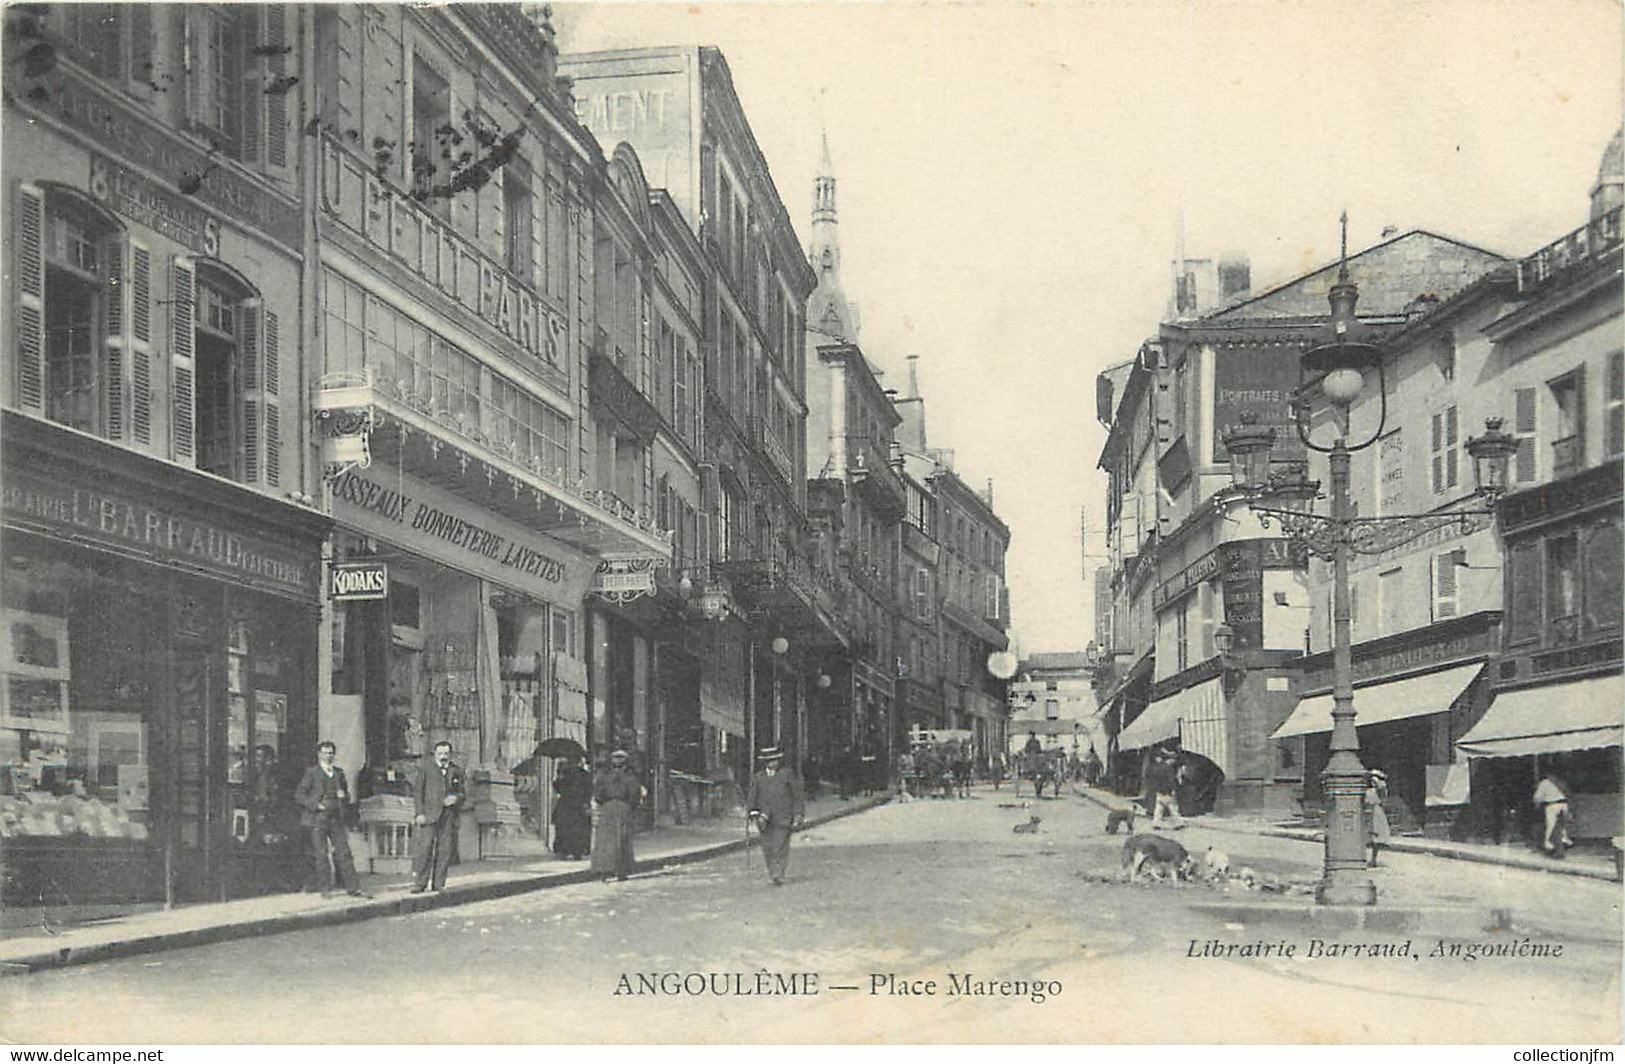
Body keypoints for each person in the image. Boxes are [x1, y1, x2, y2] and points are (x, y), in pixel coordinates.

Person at [293, 741, 368, 898]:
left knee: (344, 853)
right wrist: (316, 805)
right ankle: (325, 889)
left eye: (331, 753)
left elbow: (346, 795)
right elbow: (300, 795)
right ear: (319, 754)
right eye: (325, 753)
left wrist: (344, 797)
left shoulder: (339, 773)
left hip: (336, 819)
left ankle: (353, 888)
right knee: (321, 854)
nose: (328, 756)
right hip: (318, 819)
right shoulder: (312, 772)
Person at [410, 740, 464, 893]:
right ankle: (420, 883)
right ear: (434, 754)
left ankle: (438, 884)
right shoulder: (426, 769)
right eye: (440, 753)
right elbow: (418, 793)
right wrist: (419, 813)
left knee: (445, 850)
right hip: (429, 814)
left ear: (450, 755)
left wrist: (456, 798)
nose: (443, 757)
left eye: (446, 754)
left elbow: (463, 792)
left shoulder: (456, 771)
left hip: (448, 816)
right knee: (425, 849)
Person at [746, 746, 805, 886]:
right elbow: (752, 797)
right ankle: (772, 871)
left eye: (776, 760)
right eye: (771, 760)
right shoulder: (758, 778)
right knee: (767, 848)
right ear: (765, 762)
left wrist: (798, 814)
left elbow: (797, 796)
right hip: (764, 819)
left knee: (780, 846)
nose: (774, 763)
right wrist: (752, 812)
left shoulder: (787, 775)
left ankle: (779, 873)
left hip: (783, 817)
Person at [592, 748, 641, 880]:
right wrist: (630, 806)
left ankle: (605, 868)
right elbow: (635, 795)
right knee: (622, 839)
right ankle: (621, 869)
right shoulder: (630, 777)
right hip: (622, 808)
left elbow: (598, 795)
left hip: (608, 808)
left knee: (606, 839)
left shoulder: (604, 776)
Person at [551, 755, 592, 859]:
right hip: (578, 805)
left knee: (565, 829)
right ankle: (577, 851)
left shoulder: (566, 774)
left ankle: (565, 851)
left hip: (567, 804)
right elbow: (589, 791)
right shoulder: (585, 775)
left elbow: (557, 787)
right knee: (578, 830)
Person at [1533, 771, 1572, 858]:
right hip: (1564, 805)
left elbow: (1537, 797)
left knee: (1551, 826)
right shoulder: (1561, 782)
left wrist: (1537, 806)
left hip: (1551, 805)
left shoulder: (1545, 783)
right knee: (1562, 826)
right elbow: (1568, 794)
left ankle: (1550, 846)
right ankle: (1564, 840)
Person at [1364, 768, 1392, 867]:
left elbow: (1382, 791)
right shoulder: (1368, 791)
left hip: (1376, 812)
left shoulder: (1381, 790)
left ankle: (1373, 859)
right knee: (1368, 837)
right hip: (1368, 812)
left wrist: (1378, 781)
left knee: (1376, 836)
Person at [1147, 751, 1181, 829]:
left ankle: (1156, 823)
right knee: (1173, 807)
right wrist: (1172, 790)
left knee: (1159, 808)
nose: (1174, 762)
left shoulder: (1157, 767)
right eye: (1173, 760)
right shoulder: (1168, 768)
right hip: (1167, 791)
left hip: (1159, 790)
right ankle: (1178, 823)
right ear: (1169, 760)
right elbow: (1170, 780)